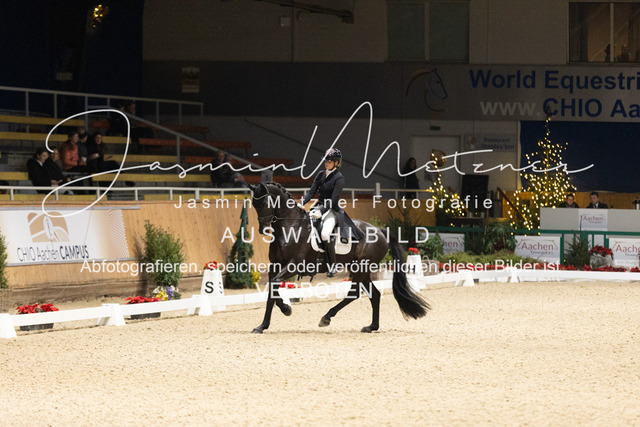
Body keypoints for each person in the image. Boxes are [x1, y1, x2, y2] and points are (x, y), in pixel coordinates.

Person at [299, 148, 363, 277]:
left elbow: (333, 200)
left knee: (324, 234)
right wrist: (301, 203)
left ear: (336, 163)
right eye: (325, 161)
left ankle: (332, 265)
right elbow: (311, 192)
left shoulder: (339, 178)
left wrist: (322, 211)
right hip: (318, 207)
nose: (326, 163)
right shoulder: (320, 175)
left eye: (329, 161)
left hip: (331, 210)